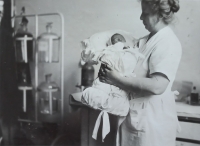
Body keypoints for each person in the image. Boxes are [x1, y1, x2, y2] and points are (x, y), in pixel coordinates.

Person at [97, 0, 182, 146]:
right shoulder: (144, 41)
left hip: (152, 124)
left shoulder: (167, 42)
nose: (141, 18)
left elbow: (158, 86)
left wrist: (115, 78)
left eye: (145, 13)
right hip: (136, 119)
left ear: (160, 15)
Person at [81, 33, 143, 141]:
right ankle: (106, 103)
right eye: (113, 40)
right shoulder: (108, 50)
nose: (117, 41)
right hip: (106, 82)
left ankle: (110, 104)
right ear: (109, 43)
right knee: (91, 91)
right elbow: (99, 58)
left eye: (119, 39)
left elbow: (130, 65)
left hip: (121, 82)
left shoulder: (129, 52)